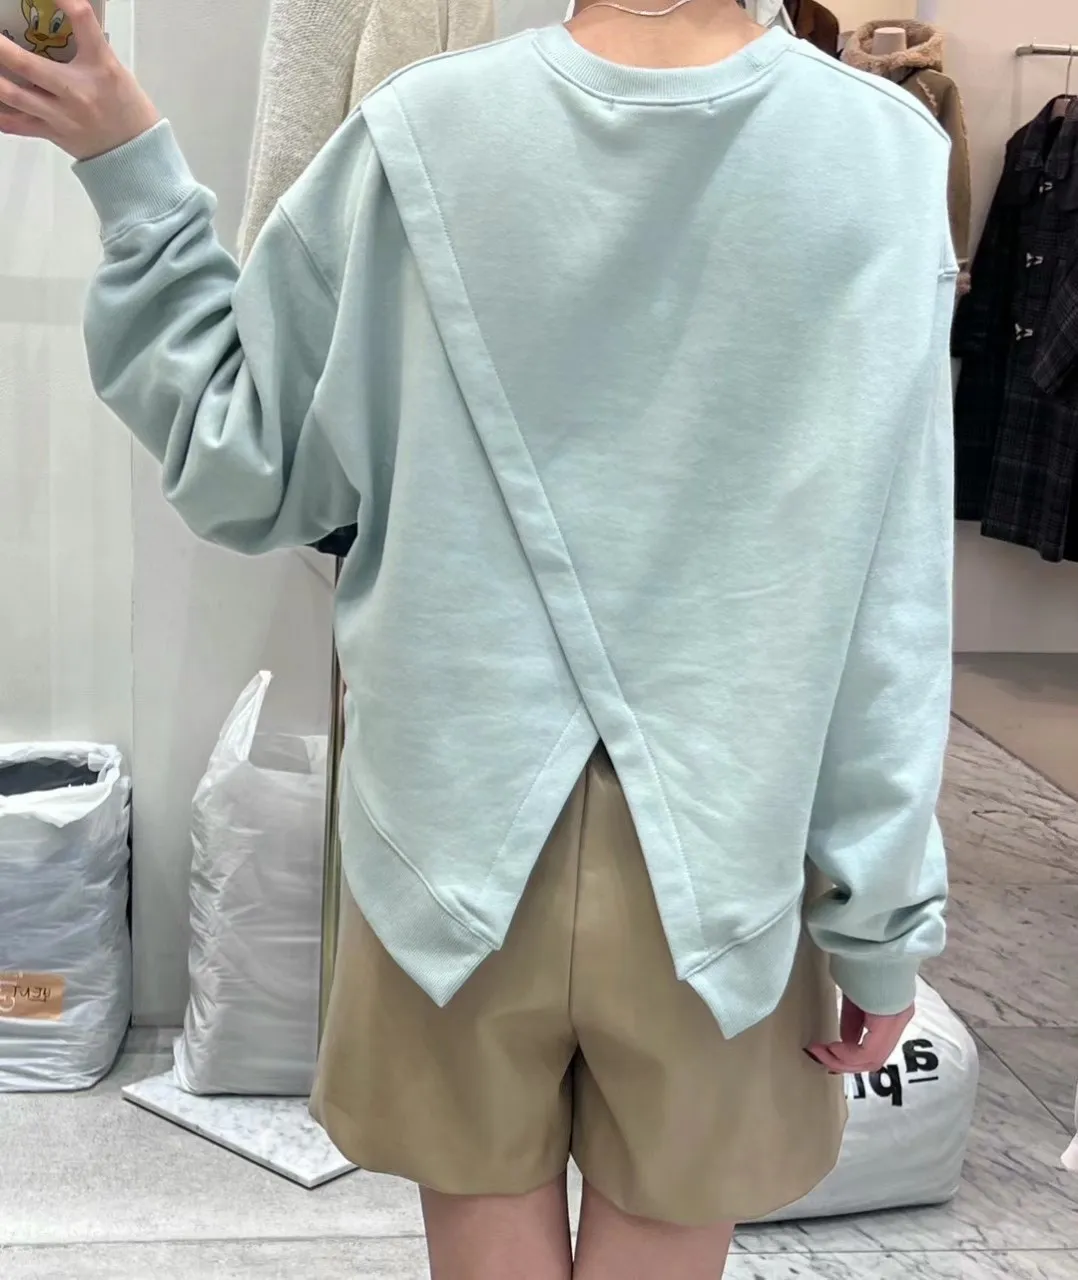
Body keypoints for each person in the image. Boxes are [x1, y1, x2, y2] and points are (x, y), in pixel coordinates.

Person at [0, 1, 954, 1276]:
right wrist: (881, 921)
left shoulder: (420, 130)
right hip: (725, 857)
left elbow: (246, 460)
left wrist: (131, 164)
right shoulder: (881, 159)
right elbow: (891, 593)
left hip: (448, 840)